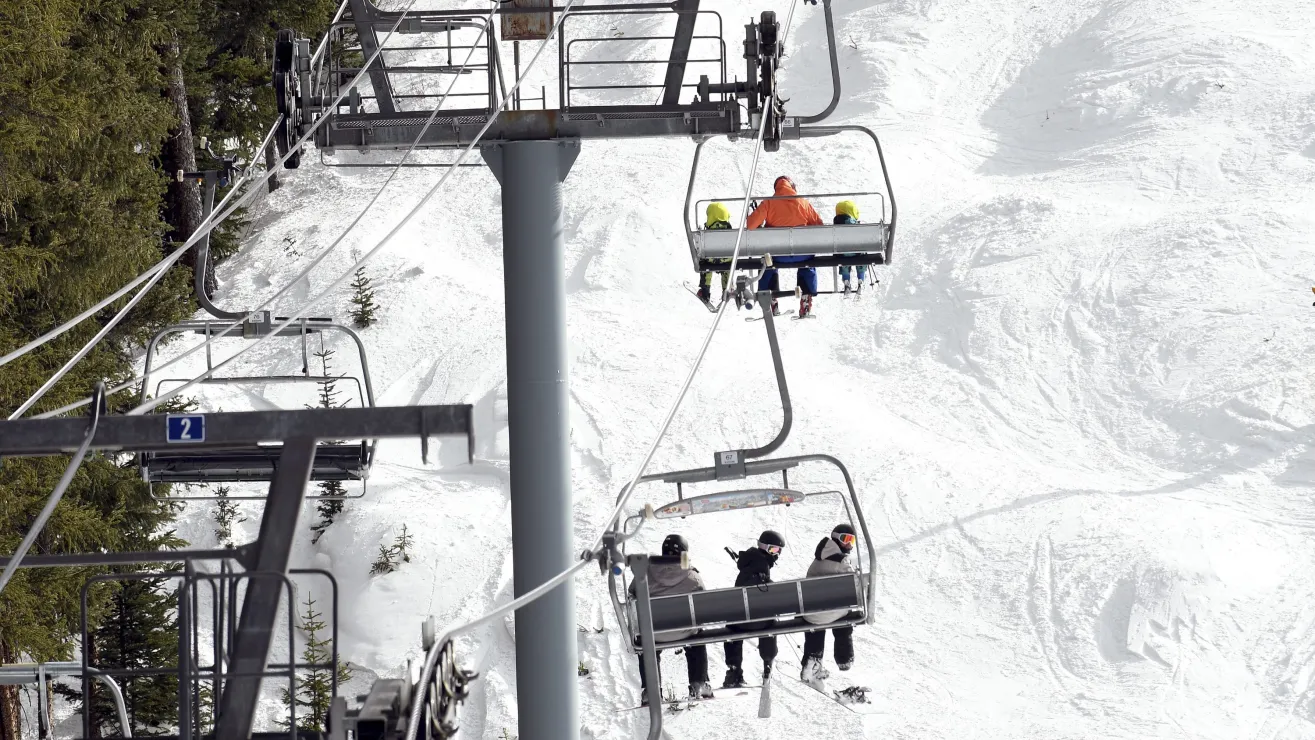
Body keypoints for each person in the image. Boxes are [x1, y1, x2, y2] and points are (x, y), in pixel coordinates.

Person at [629, 534, 713, 703]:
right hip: (685, 631)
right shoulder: (692, 575)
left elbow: (632, 594)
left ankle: (651, 691)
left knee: (648, 645)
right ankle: (698, 683)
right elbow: (703, 600)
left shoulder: (644, 574)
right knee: (697, 639)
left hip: (654, 632)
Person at [747, 176, 823, 317]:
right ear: (792, 187)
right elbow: (819, 225)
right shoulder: (803, 203)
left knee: (767, 262)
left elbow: (750, 225)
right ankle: (806, 297)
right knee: (808, 264)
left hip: (777, 255)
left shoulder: (769, 203)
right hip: (802, 254)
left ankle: (769, 297)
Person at [721, 529, 786, 688]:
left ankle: (734, 670)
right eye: (774, 550)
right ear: (764, 547)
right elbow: (755, 588)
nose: (777, 554)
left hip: (740, 622)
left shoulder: (750, 561)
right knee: (770, 622)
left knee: (732, 626)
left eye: (778, 551)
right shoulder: (760, 563)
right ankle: (767, 664)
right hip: (758, 622)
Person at [799, 524, 858, 688]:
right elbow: (854, 587)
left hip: (811, 614)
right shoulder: (841, 561)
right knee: (844, 616)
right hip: (831, 612)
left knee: (816, 618)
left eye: (851, 540)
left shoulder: (818, 559)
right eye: (845, 539)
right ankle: (844, 658)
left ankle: (812, 660)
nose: (849, 544)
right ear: (836, 538)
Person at [697, 203, 733, 306]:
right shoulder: (730, 232)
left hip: (710, 259)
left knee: (705, 264)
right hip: (726, 260)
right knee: (727, 268)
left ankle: (705, 291)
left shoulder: (707, 233)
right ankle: (727, 290)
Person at [834, 200, 868, 295]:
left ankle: (846, 282)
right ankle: (861, 280)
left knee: (844, 259)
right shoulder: (855, 225)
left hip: (842, 254)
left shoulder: (835, 226)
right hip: (857, 253)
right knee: (861, 256)